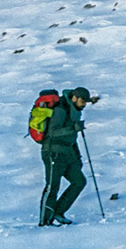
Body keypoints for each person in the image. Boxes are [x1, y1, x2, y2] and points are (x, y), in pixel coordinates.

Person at [39, 87, 96, 226]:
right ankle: (45, 221)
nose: (84, 105)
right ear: (74, 98)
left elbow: (72, 137)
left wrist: (77, 157)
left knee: (79, 182)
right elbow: (53, 132)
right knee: (52, 187)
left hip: (68, 153)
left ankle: (58, 212)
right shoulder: (60, 110)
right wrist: (74, 128)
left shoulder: (74, 111)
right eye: (82, 101)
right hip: (53, 152)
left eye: (85, 102)